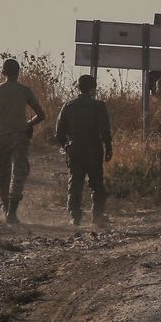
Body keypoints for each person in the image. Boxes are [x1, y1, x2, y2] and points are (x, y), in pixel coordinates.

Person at [0, 59, 46, 224]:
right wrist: (28, 124)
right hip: (20, 136)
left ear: (3, 72)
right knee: (18, 172)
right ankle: (12, 212)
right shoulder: (25, 90)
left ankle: (5, 204)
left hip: (1, 137)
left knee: (3, 172)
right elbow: (41, 114)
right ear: (18, 72)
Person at [55, 75, 113, 227]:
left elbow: (59, 133)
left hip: (75, 149)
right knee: (97, 184)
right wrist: (108, 147)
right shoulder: (99, 106)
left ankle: (75, 217)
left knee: (75, 183)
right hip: (94, 149)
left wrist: (66, 146)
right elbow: (105, 130)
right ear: (93, 89)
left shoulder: (68, 106)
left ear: (78, 88)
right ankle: (97, 217)